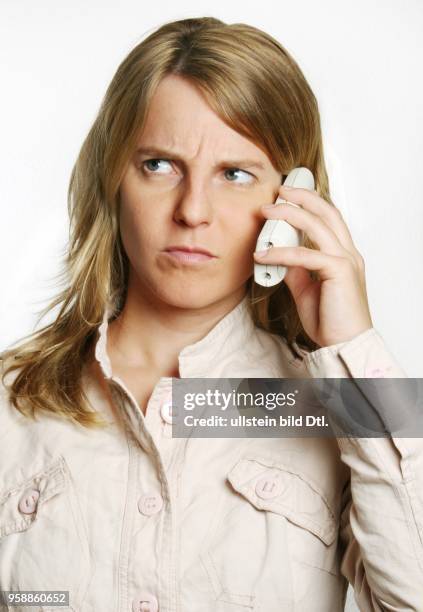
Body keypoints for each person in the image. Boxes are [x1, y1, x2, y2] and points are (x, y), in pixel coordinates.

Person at [0, 16, 422, 612]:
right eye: (159, 165)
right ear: (114, 178)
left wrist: (354, 343)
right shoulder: (11, 404)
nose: (193, 210)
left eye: (235, 174)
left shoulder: (329, 411)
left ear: (291, 200)